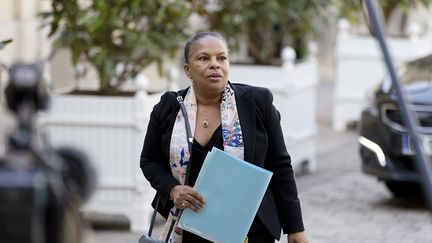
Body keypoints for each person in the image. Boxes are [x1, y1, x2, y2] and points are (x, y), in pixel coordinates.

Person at [140, 31, 308, 243]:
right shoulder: (169, 107)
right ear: (187, 69)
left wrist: (296, 228)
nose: (215, 64)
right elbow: (149, 160)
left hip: (250, 229)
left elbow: (280, 165)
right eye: (204, 58)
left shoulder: (257, 102)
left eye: (222, 58)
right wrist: (172, 190)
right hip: (189, 228)